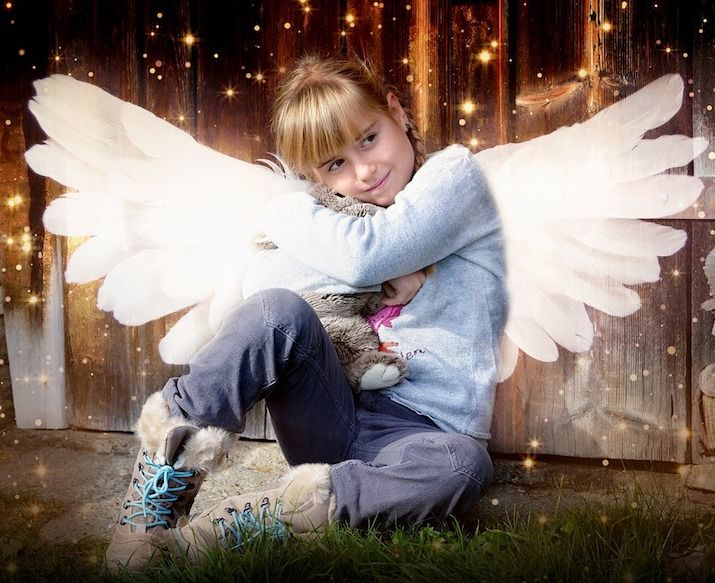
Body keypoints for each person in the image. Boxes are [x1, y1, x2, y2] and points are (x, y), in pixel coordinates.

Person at [105, 53, 507, 571]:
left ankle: (245, 524)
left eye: (369, 137)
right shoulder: (311, 212)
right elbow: (266, 282)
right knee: (275, 311)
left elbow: (367, 252)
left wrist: (369, 260)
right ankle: (151, 507)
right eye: (335, 164)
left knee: (464, 467)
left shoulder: (455, 179)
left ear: (396, 111)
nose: (364, 171)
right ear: (312, 175)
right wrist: (363, 261)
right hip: (329, 413)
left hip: (425, 434)